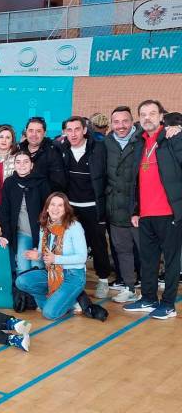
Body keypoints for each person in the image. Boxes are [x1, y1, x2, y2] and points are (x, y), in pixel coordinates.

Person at [124, 102, 182, 319]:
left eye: (152, 113)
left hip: (169, 213)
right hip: (146, 215)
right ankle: (148, 298)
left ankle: (168, 305)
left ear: (161, 116)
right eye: (143, 114)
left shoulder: (173, 137)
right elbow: (135, 182)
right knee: (148, 260)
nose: (147, 118)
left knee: (171, 261)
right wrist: (135, 210)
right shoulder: (140, 142)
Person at [57, 116, 110, 299]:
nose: (73, 134)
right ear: (64, 132)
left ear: (85, 130)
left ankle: (103, 279)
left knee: (98, 244)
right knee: (71, 246)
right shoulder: (60, 149)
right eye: (69, 130)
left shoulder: (98, 148)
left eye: (77, 129)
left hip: (93, 207)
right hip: (71, 208)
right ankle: (75, 280)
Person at [17, 192, 87, 320]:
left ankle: (71, 299)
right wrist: (37, 255)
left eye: (60, 205)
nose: (55, 208)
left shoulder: (74, 226)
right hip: (51, 272)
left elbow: (82, 257)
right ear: (47, 208)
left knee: (49, 314)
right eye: (52, 204)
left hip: (73, 275)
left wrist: (56, 259)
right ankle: (64, 300)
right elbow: (43, 253)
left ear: (66, 209)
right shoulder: (45, 226)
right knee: (21, 281)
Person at [104, 106, 142, 303]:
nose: (121, 126)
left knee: (147, 252)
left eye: (125, 121)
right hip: (115, 209)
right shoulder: (105, 143)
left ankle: (149, 291)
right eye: (116, 122)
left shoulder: (143, 140)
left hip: (140, 209)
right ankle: (129, 287)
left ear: (132, 121)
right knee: (123, 251)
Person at [0, 151, 48, 274]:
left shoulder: (42, 182)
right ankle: (24, 293)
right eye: (18, 162)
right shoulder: (9, 183)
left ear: (31, 165)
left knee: (37, 267)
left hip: (41, 234)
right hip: (22, 234)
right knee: (23, 269)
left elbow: (49, 211)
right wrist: (5, 234)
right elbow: (5, 211)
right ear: (14, 165)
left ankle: (37, 292)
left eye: (26, 162)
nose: (22, 165)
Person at [18, 117, 66, 191]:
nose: (34, 134)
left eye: (38, 131)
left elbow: (58, 183)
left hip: (43, 199)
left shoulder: (53, 152)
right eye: (31, 130)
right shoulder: (18, 150)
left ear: (44, 133)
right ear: (26, 132)